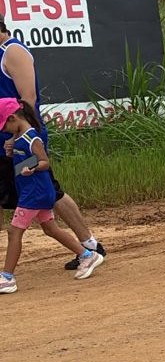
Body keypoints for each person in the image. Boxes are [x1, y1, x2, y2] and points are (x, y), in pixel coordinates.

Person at [0, 14, 105, 271]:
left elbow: (28, 99)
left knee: (49, 190)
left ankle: (89, 246)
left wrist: (17, 138)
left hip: (21, 140)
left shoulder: (13, 52)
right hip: (5, 141)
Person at [1, 98, 104, 293]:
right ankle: (87, 255)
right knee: (50, 229)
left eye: (4, 126)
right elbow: (22, 163)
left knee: (14, 232)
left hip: (35, 194)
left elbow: (44, 162)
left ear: (13, 118)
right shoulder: (19, 138)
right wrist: (11, 154)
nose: (4, 130)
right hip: (35, 192)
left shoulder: (32, 138)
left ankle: (7, 277)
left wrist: (31, 168)